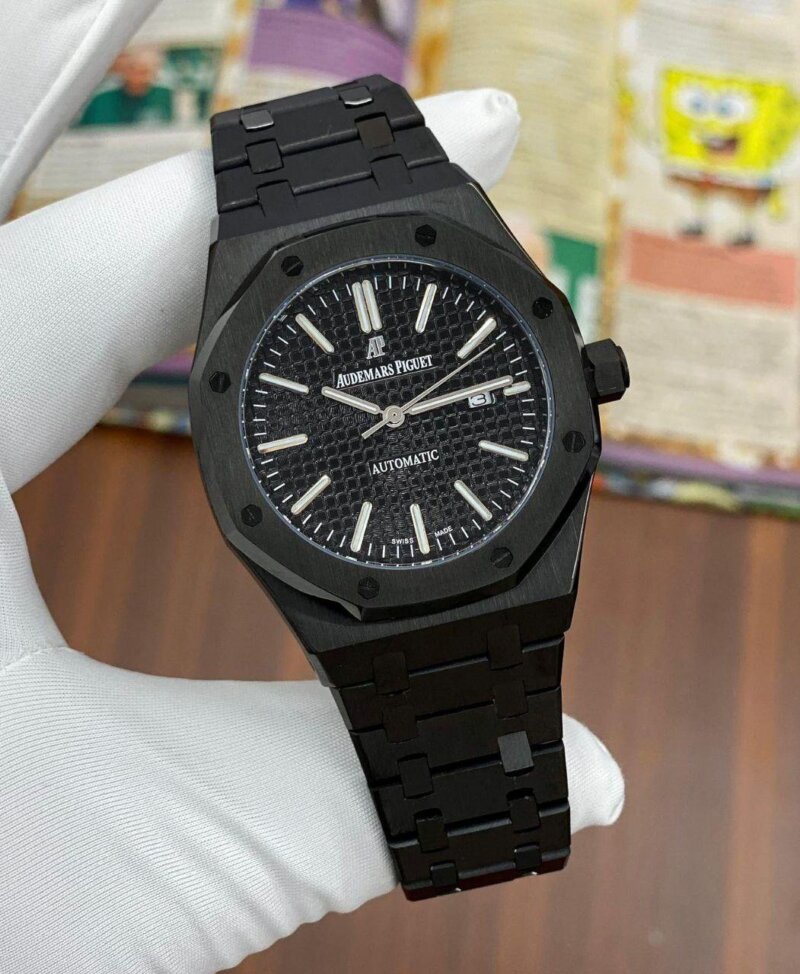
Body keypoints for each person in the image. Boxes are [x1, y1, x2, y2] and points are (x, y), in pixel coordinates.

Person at [0, 2, 624, 972]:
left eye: (403, 408)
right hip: (412, 571)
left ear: (581, 383)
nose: (393, 416)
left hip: (462, 550)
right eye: (381, 411)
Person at [77, 45, 174, 126]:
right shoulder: (101, 100)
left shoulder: (168, 96)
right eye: (132, 69)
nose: (137, 75)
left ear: (155, 72)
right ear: (122, 70)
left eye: (144, 71)